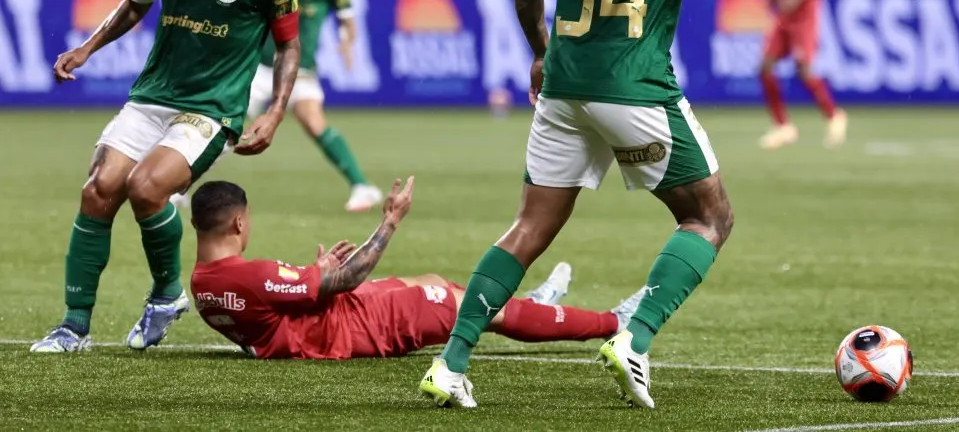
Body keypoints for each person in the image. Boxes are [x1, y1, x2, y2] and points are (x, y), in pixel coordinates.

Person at [419, 0, 927, 409]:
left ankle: (451, 363)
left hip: (565, 85)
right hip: (633, 86)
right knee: (710, 217)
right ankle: (634, 338)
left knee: (529, 226)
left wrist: (541, 52)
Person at [31, 0, 301, 354]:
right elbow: (135, 4)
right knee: (98, 189)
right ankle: (73, 327)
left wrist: (275, 111)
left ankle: (165, 292)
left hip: (212, 110)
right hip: (153, 96)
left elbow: (289, 44)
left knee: (146, 187)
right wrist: (86, 48)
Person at [189, 179, 644, 368]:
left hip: (330, 318)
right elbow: (342, 281)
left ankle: (534, 309)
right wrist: (390, 220)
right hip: (351, 329)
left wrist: (318, 275)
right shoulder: (248, 274)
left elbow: (274, 309)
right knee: (467, 306)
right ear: (239, 223)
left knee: (433, 282)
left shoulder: (202, 284)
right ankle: (613, 323)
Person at [172, 0, 382, 212]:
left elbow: (348, 19)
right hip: (258, 66)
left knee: (314, 122)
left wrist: (346, 42)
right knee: (228, 127)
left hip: (300, 68)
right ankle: (180, 187)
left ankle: (362, 187)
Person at [759, 0, 846, 149]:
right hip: (783, 20)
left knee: (804, 69)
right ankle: (783, 126)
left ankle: (834, 115)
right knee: (765, 67)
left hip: (804, 20)